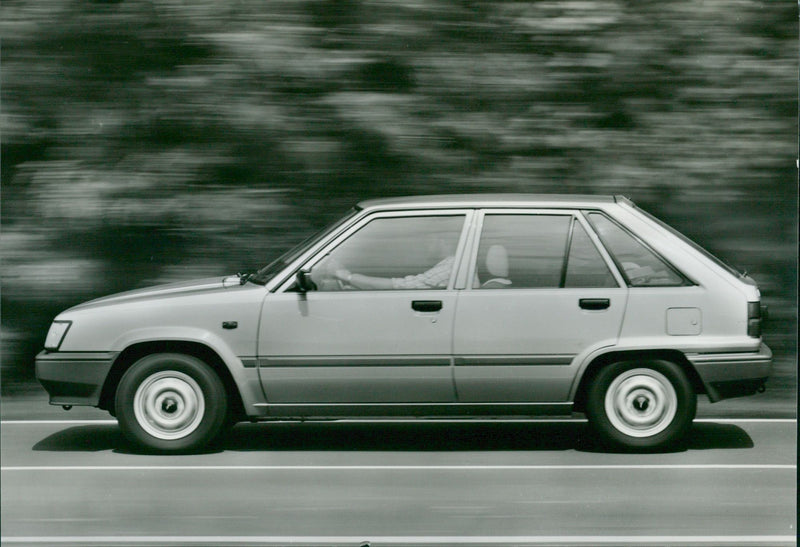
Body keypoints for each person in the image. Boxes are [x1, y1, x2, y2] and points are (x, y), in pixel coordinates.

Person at [316, 238, 455, 290]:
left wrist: (347, 276)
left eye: (430, 240)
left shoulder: (448, 269)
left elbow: (401, 286)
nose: (425, 245)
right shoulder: (449, 266)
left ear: (445, 242)